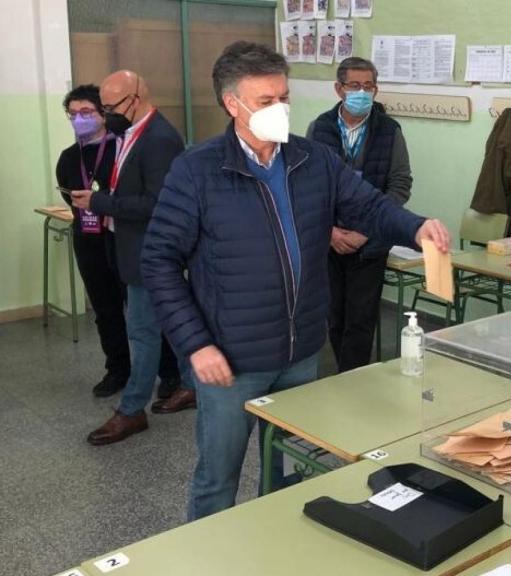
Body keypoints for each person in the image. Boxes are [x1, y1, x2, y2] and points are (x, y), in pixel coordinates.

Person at [141, 41, 451, 521]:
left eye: (284, 97)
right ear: (232, 104)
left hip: (301, 355)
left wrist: (415, 225)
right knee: (216, 479)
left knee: (287, 476)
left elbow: (368, 205)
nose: (280, 109)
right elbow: (159, 262)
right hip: (230, 360)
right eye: (266, 102)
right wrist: (195, 345)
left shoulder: (313, 160)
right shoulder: (197, 171)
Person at [72, 71, 195, 446]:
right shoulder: (131, 132)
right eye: (104, 108)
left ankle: (131, 410)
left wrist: (100, 202)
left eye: (112, 107)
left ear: (138, 96)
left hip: (152, 252)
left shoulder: (159, 139)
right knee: (169, 325)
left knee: (142, 332)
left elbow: (158, 203)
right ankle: (191, 386)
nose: (107, 115)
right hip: (132, 245)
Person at [306, 56, 413, 373]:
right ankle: (343, 374)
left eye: (369, 86)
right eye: (355, 85)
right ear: (339, 89)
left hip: (371, 242)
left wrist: (370, 228)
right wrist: (330, 232)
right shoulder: (320, 128)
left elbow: (400, 184)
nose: (362, 92)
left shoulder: (390, 131)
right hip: (329, 240)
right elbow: (308, 186)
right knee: (334, 315)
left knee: (361, 318)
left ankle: (353, 382)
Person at [56, 85, 128, 397]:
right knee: (105, 308)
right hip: (88, 241)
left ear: (103, 114)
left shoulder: (123, 148)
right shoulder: (69, 157)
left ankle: (168, 373)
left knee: (143, 308)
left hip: (123, 239)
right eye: (73, 115)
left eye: (86, 113)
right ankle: (118, 369)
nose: (79, 120)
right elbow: (67, 194)